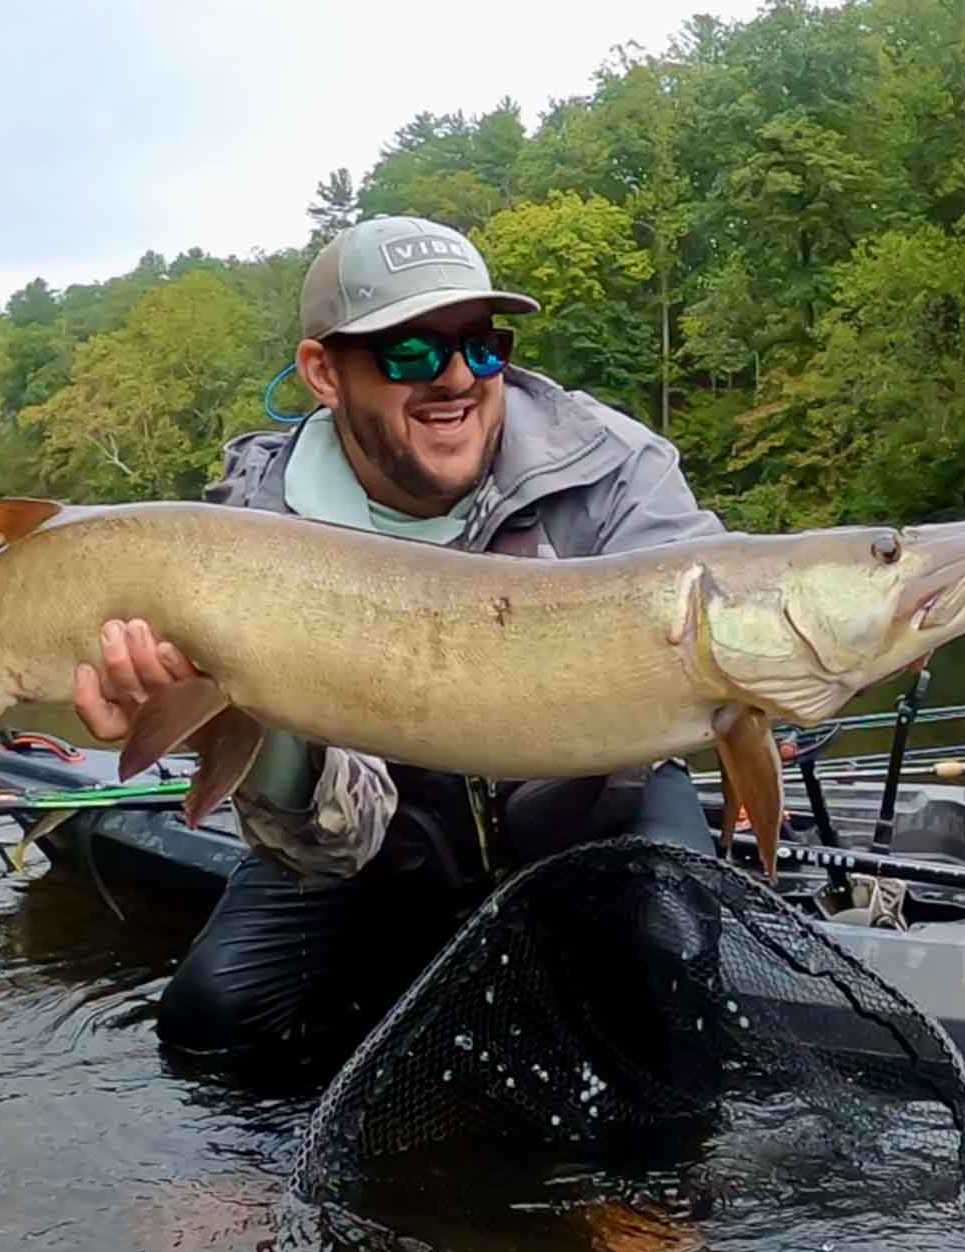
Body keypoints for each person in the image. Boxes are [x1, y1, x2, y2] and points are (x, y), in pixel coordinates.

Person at [71, 215, 728, 1069]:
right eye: (410, 353)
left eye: (480, 345)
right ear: (323, 373)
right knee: (212, 1016)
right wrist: (228, 727)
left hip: (595, 804)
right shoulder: (244, 543)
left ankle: (661, 1199)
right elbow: (327, 839)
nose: (456, 378)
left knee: (676, 960)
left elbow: (724, 634)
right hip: (380, 830)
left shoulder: (613, 462)